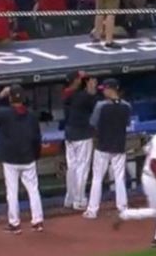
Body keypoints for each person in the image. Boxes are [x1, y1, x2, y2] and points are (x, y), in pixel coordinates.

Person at [114, 118, 156, 249]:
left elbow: (145, 150)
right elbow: (153, 163)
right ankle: (124, 214)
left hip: (153, 176)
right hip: (153, 178)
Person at [0, 84, 44, 234]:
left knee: (12, 192)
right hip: (28, 158)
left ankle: (15, 224)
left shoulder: (4, 113)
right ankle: (37, 221)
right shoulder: (32, 115)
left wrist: (0, 96)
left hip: (10, 159)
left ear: (10, 98)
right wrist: (35, 155)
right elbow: (37, 138)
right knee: (33, 190)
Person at [84, 78, 131, 219]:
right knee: (119, 178)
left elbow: (93, 123)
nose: (103, 91)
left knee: (97, 178)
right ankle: (123, 208)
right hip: (119, 146)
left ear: (111, 89)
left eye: (105, 88)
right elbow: (127, 123)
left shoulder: (100, 106)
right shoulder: (127, 106)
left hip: (103, 146)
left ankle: (92, 210)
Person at [62, 71, 99, 211]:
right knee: (81, 168)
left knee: (72, 167)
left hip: (70, 134)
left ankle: (69, 198)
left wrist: (89, 91)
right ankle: (79, 200)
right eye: (80, 79)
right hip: (82, 135)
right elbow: (94, 106)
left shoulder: (67, 93)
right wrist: (92, 92)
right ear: (76, 81)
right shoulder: (81, 96)